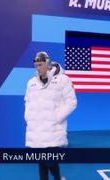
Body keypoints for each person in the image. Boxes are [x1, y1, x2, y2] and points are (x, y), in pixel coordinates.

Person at [24, 51, 77, 180]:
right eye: (36, 65)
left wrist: (56, 118)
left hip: (54, 129)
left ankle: (58, 178)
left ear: (47, 63)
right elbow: (27, 101)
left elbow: (71, 102)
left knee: (51, 159)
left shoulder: (62, 80)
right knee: (42, 161)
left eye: (40, 65)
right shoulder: (31, 82)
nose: (38, 68)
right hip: (37, 129)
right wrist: (28, 117)